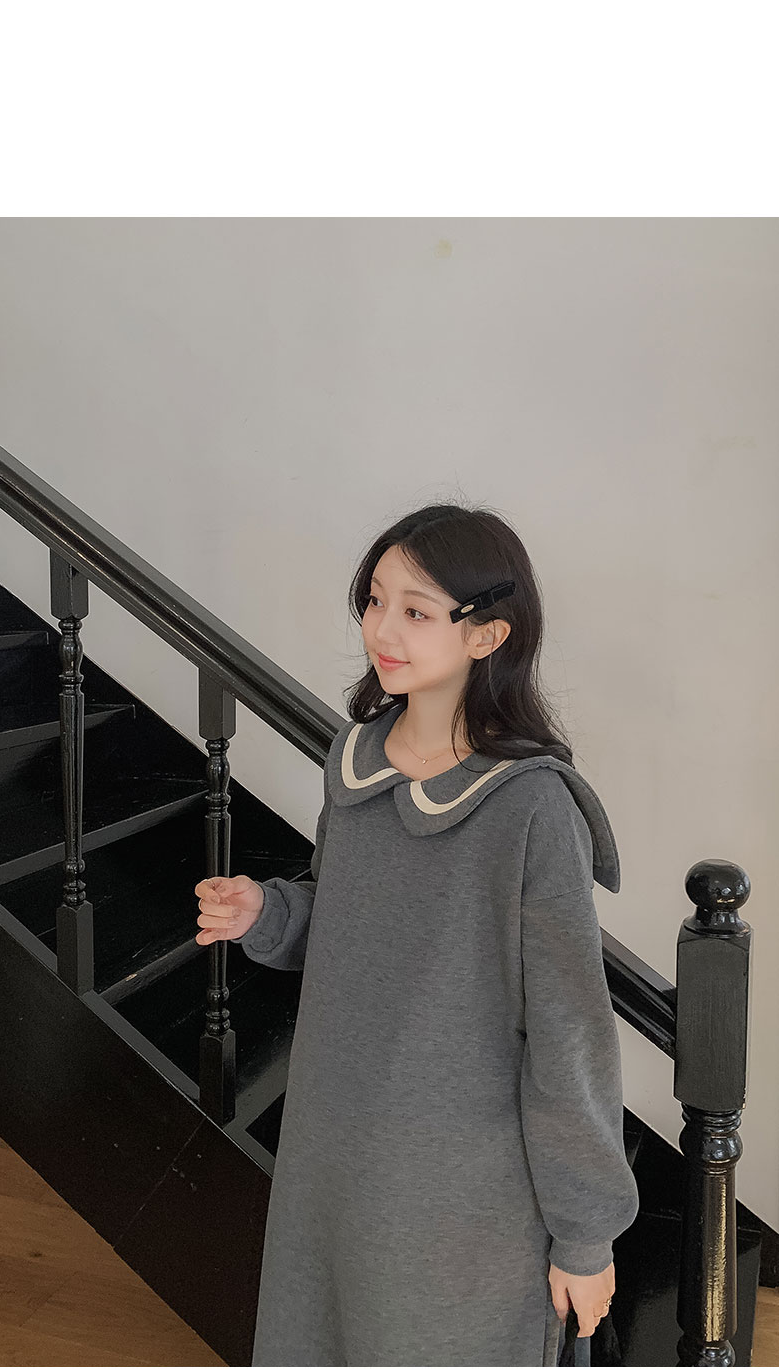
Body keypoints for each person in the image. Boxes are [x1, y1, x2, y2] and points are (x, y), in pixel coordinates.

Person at [195, 502, 639, 1367]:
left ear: (487, 634)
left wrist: (585, 1234)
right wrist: (267, 913)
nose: (381, 629)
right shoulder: (356, 758)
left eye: (416, 610)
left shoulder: (533, 809)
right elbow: (348, 915)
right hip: (331, 1151)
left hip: (461, 1191)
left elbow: (570, 1035)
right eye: (374, 600)